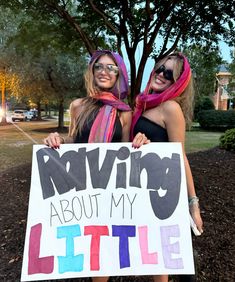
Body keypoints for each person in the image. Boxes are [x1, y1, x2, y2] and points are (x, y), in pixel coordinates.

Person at [44, 49, 147, 282]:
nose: (104, 71)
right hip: (80, 189)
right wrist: (57, 140)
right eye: (99, 66)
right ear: (91, 71)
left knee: (103, 252)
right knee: (84, 247)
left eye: (111, 68)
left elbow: (126, 151)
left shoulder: (125, 112)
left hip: (109, 191)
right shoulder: (78, 105)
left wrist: (141, 142)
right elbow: (72, 141)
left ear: (118, 75)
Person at [131, 52, 203, 282]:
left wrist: (193, 205)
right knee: (156, 257)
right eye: (160, 68)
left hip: (166, 194)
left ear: (178, 81)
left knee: (169, 257)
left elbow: (180, 157)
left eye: (169, 73)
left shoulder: (170, 108)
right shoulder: (142, 105)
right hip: (144, 190)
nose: (161, 74)